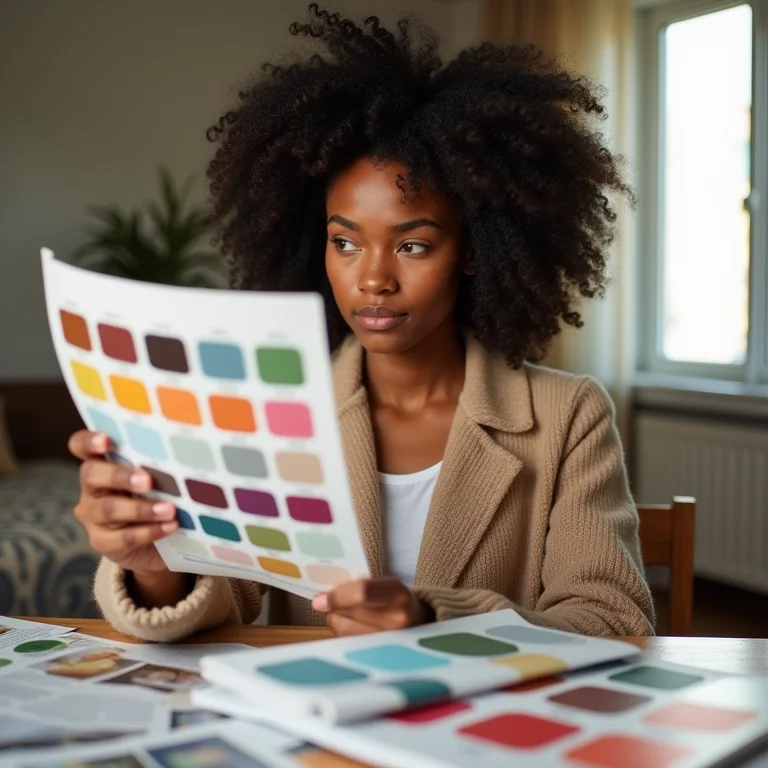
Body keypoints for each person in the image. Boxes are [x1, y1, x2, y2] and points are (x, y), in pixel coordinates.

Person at [69, 4, 654, 642]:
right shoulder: (275, 410)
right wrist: (159, 567)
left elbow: (612, 621)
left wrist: (432, 617)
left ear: (476, 251)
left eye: (412, 245)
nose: (372, 278)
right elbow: (225, 589)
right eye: (345, 243)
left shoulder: (568, 418)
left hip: (476, 732)